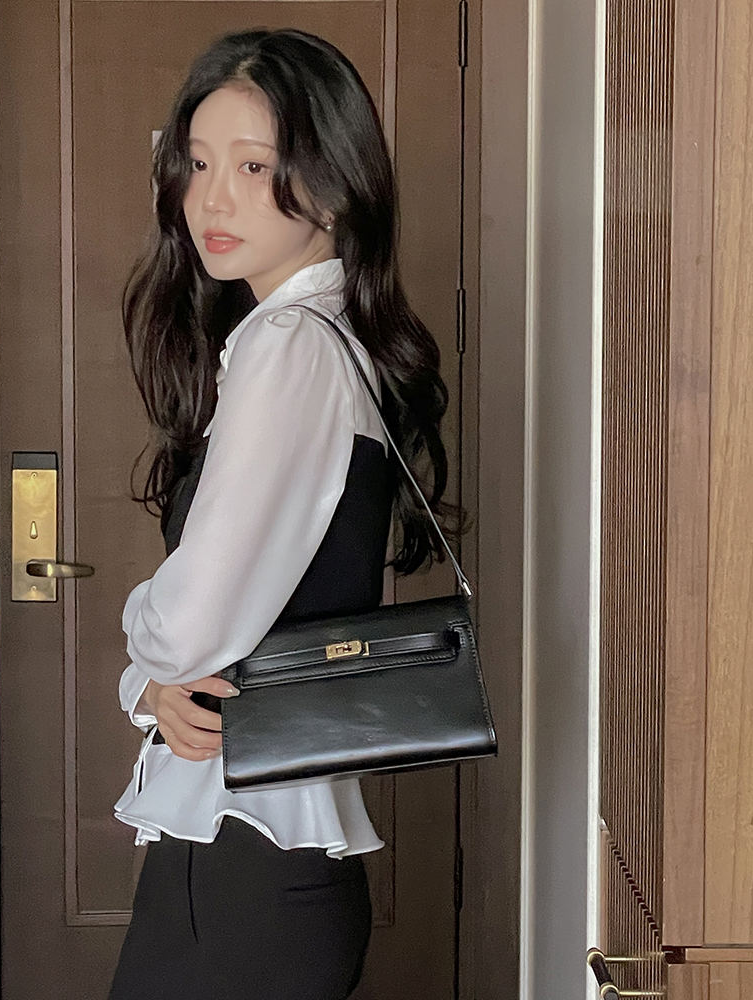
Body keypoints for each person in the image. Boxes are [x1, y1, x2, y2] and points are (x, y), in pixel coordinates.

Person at [108, 27, 456, 1000]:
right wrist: (153, 684)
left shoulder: (291, 347)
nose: (212, 199)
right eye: (197, 163)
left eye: (254, 166)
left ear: (334, 186)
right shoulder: (319, 336)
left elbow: (190, 624)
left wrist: (143, 654)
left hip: (247, 867)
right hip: (251, 854)